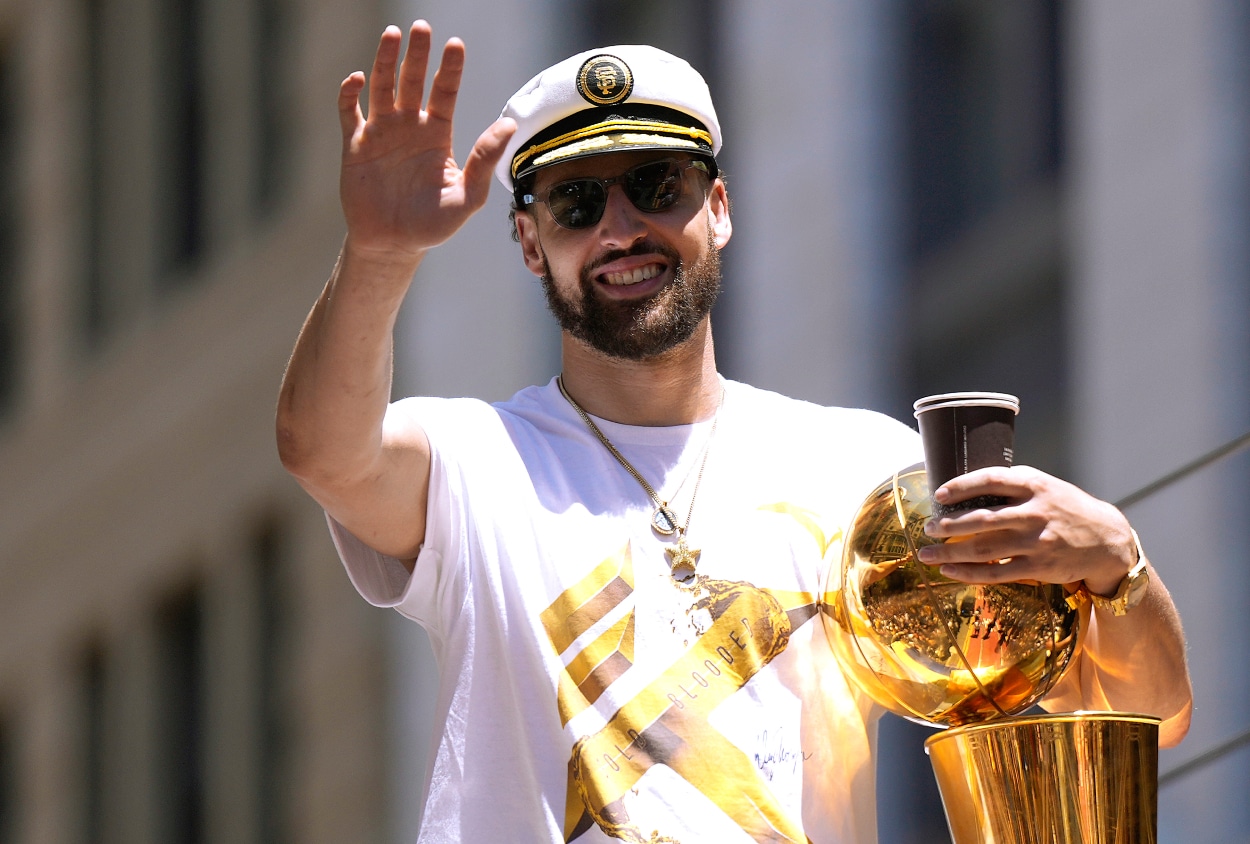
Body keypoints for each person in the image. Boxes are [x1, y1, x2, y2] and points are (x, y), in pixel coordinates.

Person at [276, 21, 1192, 843]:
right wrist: (383, 255)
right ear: (529, 243)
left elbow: (1133, 721)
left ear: (718, 206)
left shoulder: (863, 473)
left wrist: (1117, 565)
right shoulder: (475, 461)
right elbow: (322, 451)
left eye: (654, 185)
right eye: (576, 206)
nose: (621, 229)